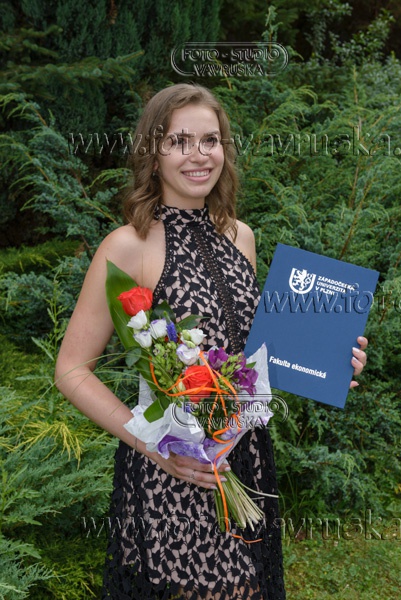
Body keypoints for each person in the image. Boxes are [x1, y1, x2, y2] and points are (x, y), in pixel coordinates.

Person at [55, 83, 368, 599]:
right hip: (173, 472)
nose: (199, 155)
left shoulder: (241, 235)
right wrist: (157, 449)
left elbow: (251, 358)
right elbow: (71, 370)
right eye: (179, 141)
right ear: (153, 154)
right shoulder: (128, 245)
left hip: (245, 458)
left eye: (210, 140)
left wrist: (332, 363)